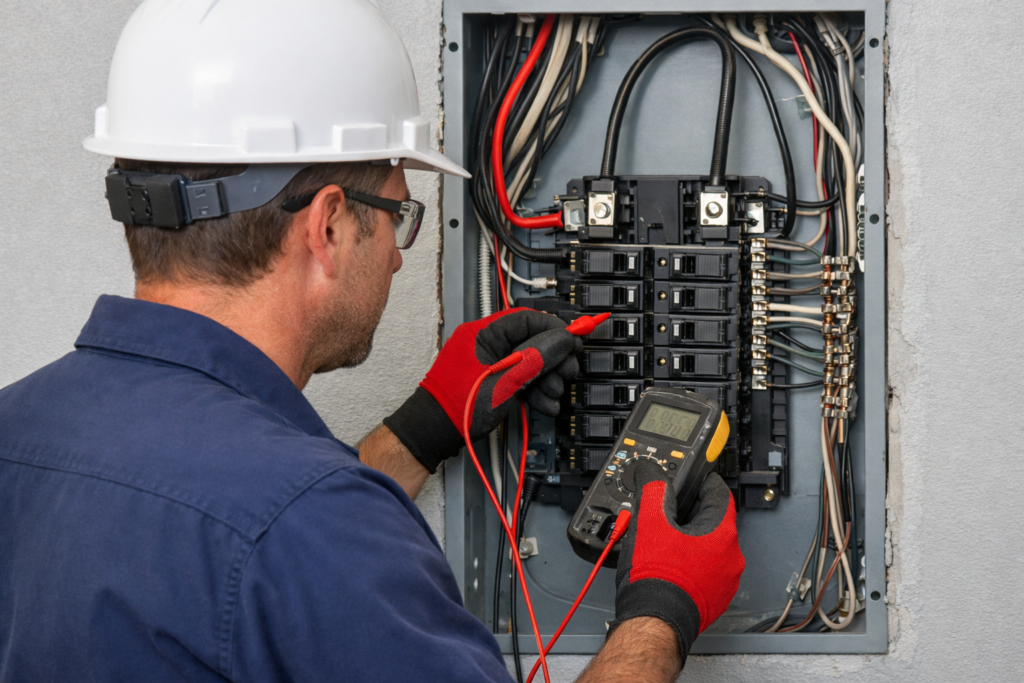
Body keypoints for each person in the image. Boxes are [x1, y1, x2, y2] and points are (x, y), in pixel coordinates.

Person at [0, 1, 744, 681]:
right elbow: (280, 533)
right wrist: (661, 612)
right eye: (397, 215)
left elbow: (218, 532)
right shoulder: (323, 523)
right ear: (327, 226)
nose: (395, 253)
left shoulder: (15, 433)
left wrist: (421, 430)